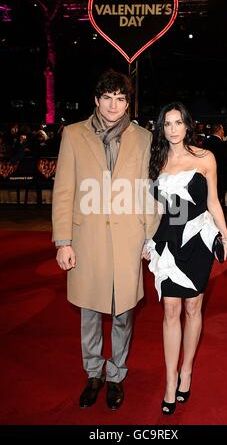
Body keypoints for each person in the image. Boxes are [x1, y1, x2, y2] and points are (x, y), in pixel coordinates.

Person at [52, 70, 159, 410]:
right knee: (89, 311)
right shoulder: (72, 134)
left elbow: (147, 191)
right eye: (108, 98)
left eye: (121, 99)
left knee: (123, 313)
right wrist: (63, 241)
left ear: (128, 103)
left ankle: (116, 375)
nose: (114, 105)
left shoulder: (143, 138)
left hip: (128, 238)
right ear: (96, 100)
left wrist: (150, 236)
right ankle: (93, 372)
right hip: (87, 238)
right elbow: (64, 190)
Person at [142, 102, 227, 415]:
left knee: (193, 306)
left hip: (199, 239)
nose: (174, 129)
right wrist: (147, 240)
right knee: (170, 309)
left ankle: (187, 371)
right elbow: (155, 208)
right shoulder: (155, 159)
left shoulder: (206, 157)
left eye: (178, 122)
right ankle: (169, 381)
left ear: (187, 125)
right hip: (168, 239)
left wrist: (225, 234)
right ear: (161, 128)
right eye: (167, 124)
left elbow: (213, 201)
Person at [203, 123, 227, 205]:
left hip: (207, 173)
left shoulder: (205, 142)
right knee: (219, 196)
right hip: (221, 174)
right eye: (222, 130)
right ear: (219, 131)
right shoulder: (223, 143)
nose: (223, 131)